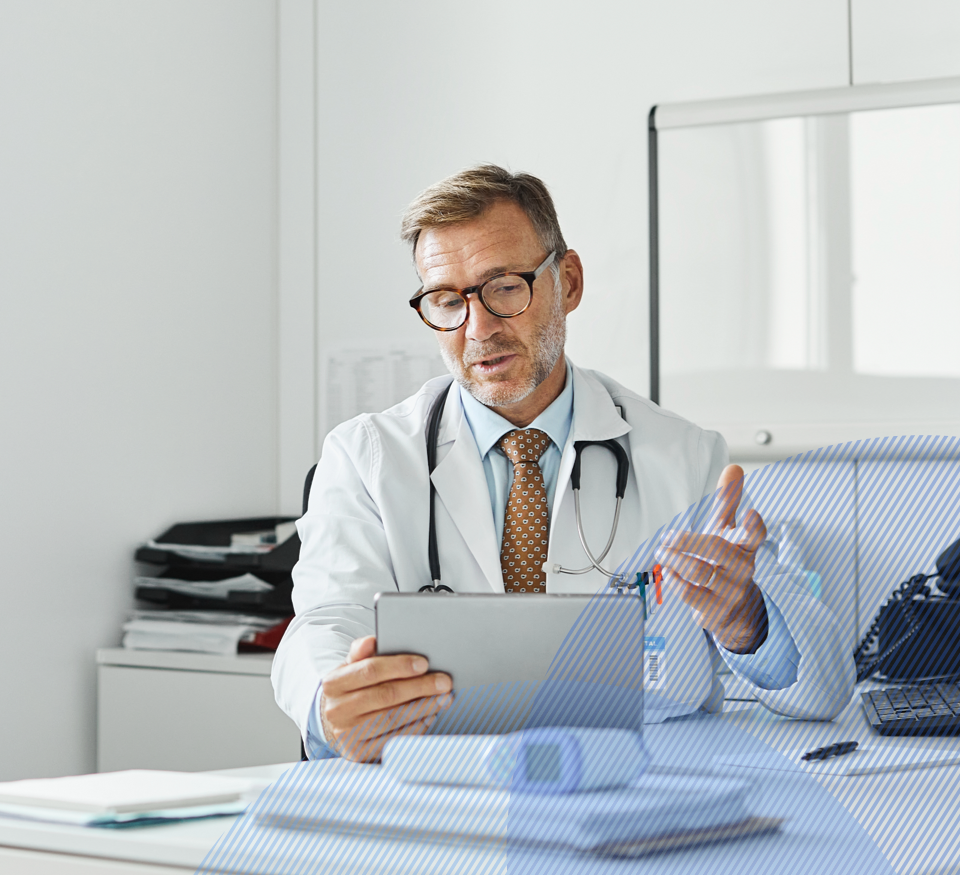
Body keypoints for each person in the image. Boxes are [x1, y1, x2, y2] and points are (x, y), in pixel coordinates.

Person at [272, 164, 855, 765]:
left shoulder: (684, 458)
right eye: (448, 301)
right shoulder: (368, 456)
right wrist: (328, 703)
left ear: (568, 282)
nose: (477, 329)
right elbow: (325, 619)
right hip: (445, 787)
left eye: (504, 288)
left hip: (630, 793)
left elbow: (824, 687)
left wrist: (747, 620)